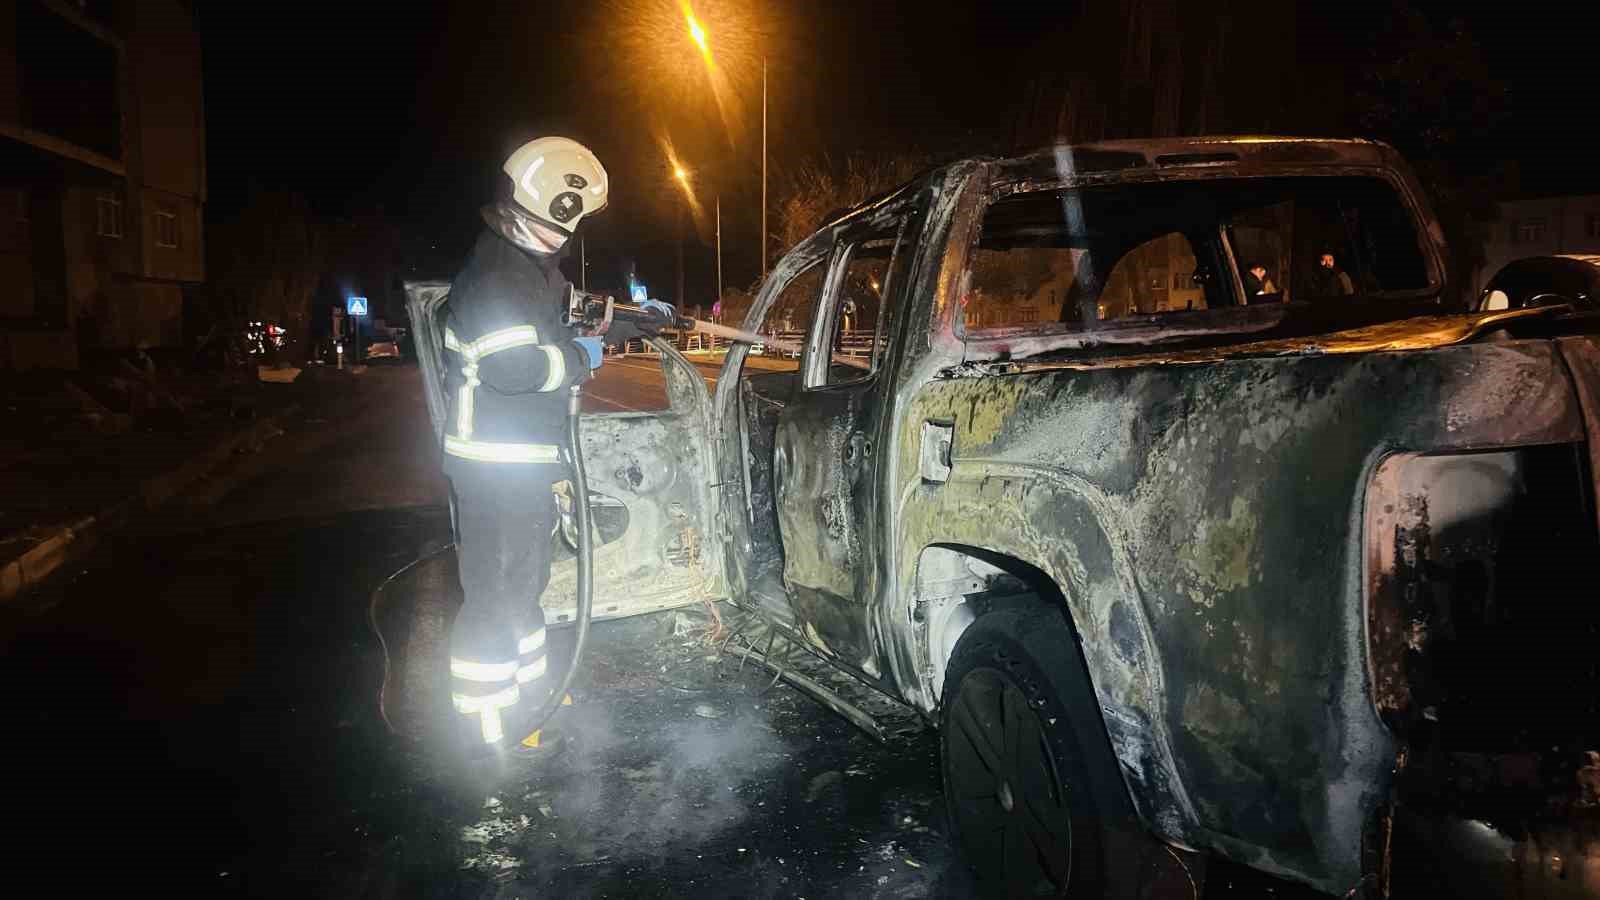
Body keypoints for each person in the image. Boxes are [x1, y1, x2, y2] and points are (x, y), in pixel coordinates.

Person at [439, 136, 616, 767]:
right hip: (492, 465)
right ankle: (486, 727)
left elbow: (559, 314)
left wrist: (620, 321)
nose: (572, 233)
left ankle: (531, 693)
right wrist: (580, 358)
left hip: (522, 463)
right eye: (572, 218)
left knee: (525, 585)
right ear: (553, 204)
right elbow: (514, 367)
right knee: (495, 592)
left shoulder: (532, 271)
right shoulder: (495, 275)